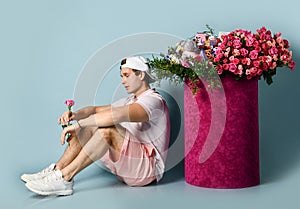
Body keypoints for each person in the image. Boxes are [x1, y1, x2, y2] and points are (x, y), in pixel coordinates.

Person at [21, 56, 170, 196]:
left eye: (126, 75)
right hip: (128, 166)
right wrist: (75, 115)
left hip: (147, 171)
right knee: (92, 124)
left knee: (108, 129)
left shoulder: (154, 101)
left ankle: (65, 179)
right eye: (121, 76)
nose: (123, 81)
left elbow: (117, 115)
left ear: (141, 75)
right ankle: (57, 170)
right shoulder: (129, 100)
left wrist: (78, 125)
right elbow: (94, 110)